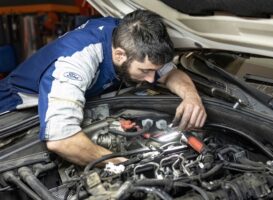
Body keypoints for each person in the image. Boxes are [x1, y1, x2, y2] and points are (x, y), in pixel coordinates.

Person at [0, 10, 206, 165]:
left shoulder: (131, 34)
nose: (152, 79)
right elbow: (61, 140)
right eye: (145, 71)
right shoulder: (75, 62)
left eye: (154, 71)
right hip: (14, 109)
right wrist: (121, 163)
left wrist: (192, 98)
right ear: (119, 55)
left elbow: (169, 73)